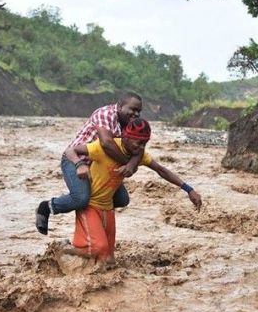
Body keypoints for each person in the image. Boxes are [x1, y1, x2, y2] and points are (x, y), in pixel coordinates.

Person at [61, 118, 202, 265]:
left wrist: (189, 189)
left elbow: (161, 170)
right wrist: (79, 164)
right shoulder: (104, 148)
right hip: (89, 205)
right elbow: (70, 151)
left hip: (107, 208)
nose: (141, 147)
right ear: (126, 137)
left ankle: (83, 268)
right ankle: (63, 251)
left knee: (109, 260)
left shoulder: (138, 155)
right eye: (138, 142)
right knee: (98, 249)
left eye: (145, 143)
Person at [36, 92, 144, 235]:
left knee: (122, 199)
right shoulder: (105, 114)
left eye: (138, 111)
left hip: (99, 167)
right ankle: (47, 207)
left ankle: (91, 218)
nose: (136, 114)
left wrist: (132, 164)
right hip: (76, 159)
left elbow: (141, 147)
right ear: (119, 106)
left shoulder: (130, 124)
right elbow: (106, 143)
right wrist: (127, 163)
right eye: (132, 109)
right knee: (81, 199)